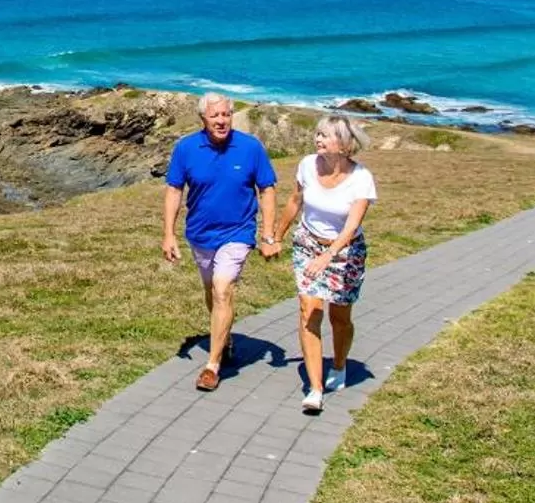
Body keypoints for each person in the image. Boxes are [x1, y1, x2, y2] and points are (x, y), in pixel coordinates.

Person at [161, 93, 278, 392]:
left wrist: (267, 235)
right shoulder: (186, 148)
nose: (221, 121)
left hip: (238, 233)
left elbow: (267, 189)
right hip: (200, 234)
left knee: (223, 289)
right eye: (215, 116)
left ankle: (212, 366)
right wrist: (169, 234)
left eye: (226, 115)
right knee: (211, 290)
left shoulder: (250, 148)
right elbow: (175, 190)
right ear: (203, 118)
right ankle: (223, 339)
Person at [265, 115, 376, 414]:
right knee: (309, 310)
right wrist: (275, 236)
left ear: (343, 144)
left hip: (346, 252)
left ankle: (339, 365)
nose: (318, 139)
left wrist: (328, 256)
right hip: (307, 244)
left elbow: (352, 226)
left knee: (339, 317)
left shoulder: (361, 178)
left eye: (325, 136)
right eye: (317, 134)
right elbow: (295, 201)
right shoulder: (307, 165)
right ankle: (314, 389)